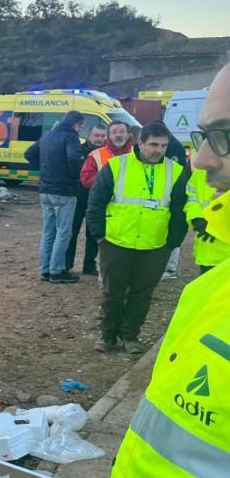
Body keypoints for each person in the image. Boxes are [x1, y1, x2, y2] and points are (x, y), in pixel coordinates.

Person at [112, 63, 230, 477]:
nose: (200, 159)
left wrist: (171, 238)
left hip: (157, 246)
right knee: (114, 296)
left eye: (225, 136)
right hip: (125, 245)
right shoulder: (209, 291)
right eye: (202, 137)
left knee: (139, 298)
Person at [86, 120, 188, 354]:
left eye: (163, 146)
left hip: (155, 245)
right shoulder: (116, 166)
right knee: (113, 292)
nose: (158, 150)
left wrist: (172, 243)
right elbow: (96, 203)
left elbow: (180, 210)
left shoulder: (176, 171)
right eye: (153, 144)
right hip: (116, 242)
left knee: (142, 294)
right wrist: (100, 236)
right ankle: (107, 336)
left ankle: (130, 336)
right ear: (140, 142)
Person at [24, 110, 85, 283]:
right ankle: (57, 271)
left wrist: (44, 169)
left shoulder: (47, 135)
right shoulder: (71, 137)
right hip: (64, 190)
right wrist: (76, 175)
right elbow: (74, 157)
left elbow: (29, 154)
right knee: (64, 232)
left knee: (48, 232)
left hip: (45, 190)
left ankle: (45, 269)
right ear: (78, 124)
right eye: (81, 126)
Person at [65, 123, 106, 274]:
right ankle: (67, 264)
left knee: (93, 234)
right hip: (78, 197)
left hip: (96, 200)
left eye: (102, 136)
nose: (99, 139)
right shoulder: (78, 151)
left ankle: (89, 265)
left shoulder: (105, 153)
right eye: (96, 135)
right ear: (89, 135)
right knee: (72, 232)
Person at [184, 167, 230, 274]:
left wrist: (215, 222)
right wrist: (197, 218)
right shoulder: (201, 172)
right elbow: (191, 198)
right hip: (208, 250)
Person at [162, 135, 191, 280]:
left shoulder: (174, 147)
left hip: (174, 194)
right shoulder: (174, 145)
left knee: (174, 229)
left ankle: (171, 268)